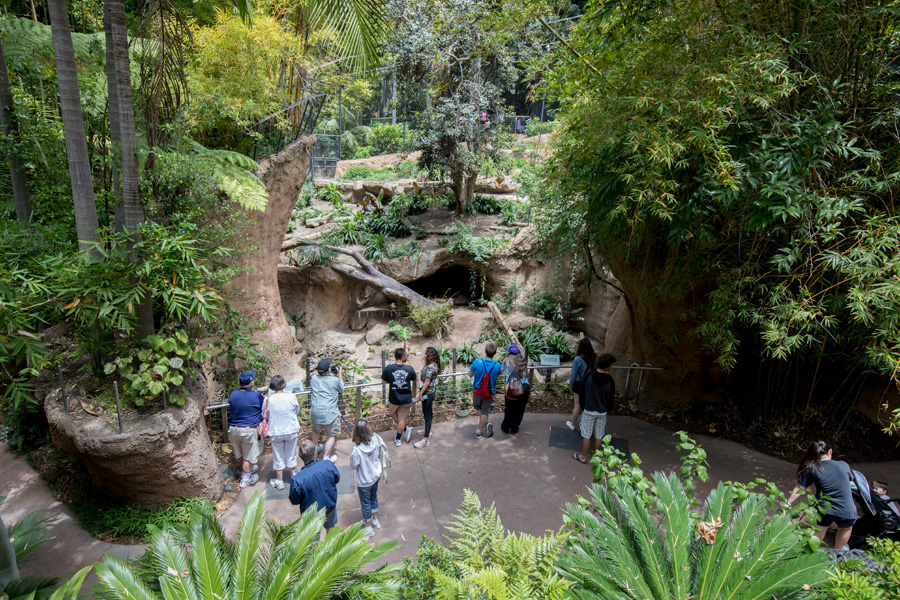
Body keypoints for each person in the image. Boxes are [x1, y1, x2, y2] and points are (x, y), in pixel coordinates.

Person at [786, 441, 856, 549]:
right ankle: (837, 552)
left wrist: (789, 502)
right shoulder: (843, 465)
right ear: (830, 452)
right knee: (845, 529)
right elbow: (850, 480)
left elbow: (800, 488)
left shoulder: (812, 468)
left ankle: (811, 552)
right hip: (846, 510)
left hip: (824, 509)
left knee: (819, 530)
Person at [572, 352, 615, 464]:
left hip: (588, 410)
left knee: (586, 435)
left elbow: (582, 393)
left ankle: (583, 456)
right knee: (599, 435)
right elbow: (611, 398)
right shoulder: (610, 380)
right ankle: (595, 455)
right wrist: (607, 409)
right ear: (608, 366)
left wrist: (583, 407)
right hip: (602, 411)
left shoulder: (588, 376)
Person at [289, 439, 341, 530]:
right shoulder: (328, 465)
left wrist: (296, 479)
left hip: (311, 514)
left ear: (300, 456)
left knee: (312, 536)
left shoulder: (297, 479)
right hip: (329, 505)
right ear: (315, 452)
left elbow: (294, 500)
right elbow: (337, 479)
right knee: (331, 530)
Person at [228, 369, 264, 488]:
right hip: (248, 430)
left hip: (234, 429)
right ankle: (246, 479)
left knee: (243, 454)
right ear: (251, 383)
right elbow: (263, 408)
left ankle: (248, 469)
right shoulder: (256, 395)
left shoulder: (233, 393)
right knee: (248, 457)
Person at [350, 418, 386, 537]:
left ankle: (368, 527)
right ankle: (375, 520)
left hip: (364, 481)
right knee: (373, 497)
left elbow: (354, 465)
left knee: (365, 503)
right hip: (375, 476)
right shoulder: (375, 440)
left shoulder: (356, 449)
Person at [265, 375, 300, 490]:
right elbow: (296, 411)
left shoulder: (268, 400)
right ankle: (294, 477)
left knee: (278, 456)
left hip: (276, 431)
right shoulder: (291, 397)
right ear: (284, 384)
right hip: (291, 430)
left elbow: (265, 414)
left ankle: (279, 481)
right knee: (291, 453)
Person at [309, 359, 345, 462]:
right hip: (330, 412)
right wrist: (339, 374)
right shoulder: (334, 380)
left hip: (316, 411)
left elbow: (323, 381)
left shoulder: (314, 378)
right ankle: (326, 457)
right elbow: (342, 389)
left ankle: (315, 450)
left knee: (316, 430)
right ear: (329, 369)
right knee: (331, 434)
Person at [382, 348, 417, 447]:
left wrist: (392, 381)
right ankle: (405, 429)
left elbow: (384, 381)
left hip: (394, 398)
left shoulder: (389, 368)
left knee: (394, 415)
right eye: (406, 355)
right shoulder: (409, 369)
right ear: (403, 357)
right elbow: (414, 379)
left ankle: (398, 438)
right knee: (400, 419)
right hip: (406, 398)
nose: (407, 357)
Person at [469, 343, 502, 439]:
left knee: (478, 407)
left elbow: (470, 374)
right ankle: (482, 426)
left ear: (485, 351)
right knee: (485, 412)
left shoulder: (477, 362)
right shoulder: (497, 365)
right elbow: (498, 374)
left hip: (477, 390)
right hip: (490, 392)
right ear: (495, 353)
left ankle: (480, 429)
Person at [500, 344, 530, 435]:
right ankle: (514, 428)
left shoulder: (507, 361)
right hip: (524, 387)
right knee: (520, 409)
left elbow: (503, 370)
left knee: (509, 408)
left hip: (511, 388)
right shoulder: (523, 361)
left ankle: (506, 427)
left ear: (509, 352)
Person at [415, 347, 441, 448]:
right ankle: (427, 430)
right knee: (427, 413)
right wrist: (419, 381)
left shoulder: (431, 367)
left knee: (427, 415)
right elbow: (420, 372)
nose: (424, 355)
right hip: (427, 393)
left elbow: (427, 382)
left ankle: (426, 440)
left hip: (428, 394)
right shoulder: (429, 365)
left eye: (425, 353)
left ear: (429, 355)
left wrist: (420, 393)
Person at [567, 338, 595, 431]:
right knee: (586, 406)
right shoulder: (595, 357)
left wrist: (571, 385)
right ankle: (584, 425)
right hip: (591, 383)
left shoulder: (578, 359)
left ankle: (573, 424)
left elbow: (573, 374)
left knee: (577, 405)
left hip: (579, 383)